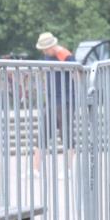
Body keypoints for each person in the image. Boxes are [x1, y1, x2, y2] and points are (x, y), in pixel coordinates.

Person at [33, 32, 77, 174]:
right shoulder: (48, 55)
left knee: (66, 134)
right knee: (43, 133)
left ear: (52, 46)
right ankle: (35, 169)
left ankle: (69, 169)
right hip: (52, 99)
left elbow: (77, 74)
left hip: (66, 99)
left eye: (45, 49)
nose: (44, 52)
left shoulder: (65, 55)